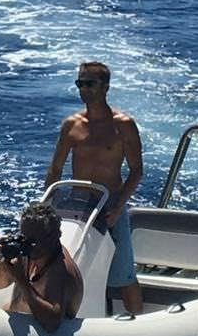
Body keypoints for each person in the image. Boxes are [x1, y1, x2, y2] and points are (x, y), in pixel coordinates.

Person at [45, 60, 145, 315]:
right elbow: (55, 170)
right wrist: (46, 208)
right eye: (80, 83)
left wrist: (118, 207)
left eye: (90, 83)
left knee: (124, 276)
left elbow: (136, 171)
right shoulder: (72, 125)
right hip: (78, 209)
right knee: (77, 268)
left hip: (111, 206)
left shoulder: (123, 125)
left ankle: (139, 327)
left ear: (106, 86)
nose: (84, 89)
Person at [0, 200, 83, 332]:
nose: (28, 245)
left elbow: (53, 324)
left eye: (34, 240)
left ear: (55, 236)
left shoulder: (59, 271)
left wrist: (22, 281)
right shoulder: (29, 251)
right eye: (24, 238)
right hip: (18, 325)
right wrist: (4, 263)